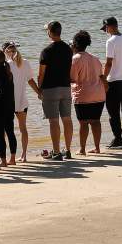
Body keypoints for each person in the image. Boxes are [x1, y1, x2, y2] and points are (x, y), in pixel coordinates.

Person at [35, 20, 74, 161]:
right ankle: (68, 150)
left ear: (50, 33)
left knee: (53, 121)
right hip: (65, 87)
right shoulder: (68, 49)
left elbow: (41, 73)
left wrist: (39, 89)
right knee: (67, 119)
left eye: (47, 31)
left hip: (51, 89)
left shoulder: (46, 51)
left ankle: (57, 152)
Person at [100, 17, 122, 149]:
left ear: (109, 26)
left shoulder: (111, 41)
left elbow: (109, 62)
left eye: (105, 29)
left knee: (113, 111)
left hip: (113, 80)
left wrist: (104, 78)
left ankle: (118, 138)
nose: (105, 32)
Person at [70, 30, 106, 154]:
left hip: (83, 95)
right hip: (99, 94)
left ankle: (82, 149)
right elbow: (101, 76)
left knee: (83, 123)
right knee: (96, 121)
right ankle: (97, 147)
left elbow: (72, 78)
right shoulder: (95, 58)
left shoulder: (75, 59)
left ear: (74, 44)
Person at [3, 41, 35, 162]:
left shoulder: (6, 65)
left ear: (6, 52)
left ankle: (4, 156)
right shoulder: (25, 62)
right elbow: (30, 80)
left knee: (5, 131)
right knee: (23, 129)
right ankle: (24, 155)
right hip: (22, 101)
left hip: (9, 102)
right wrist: (39, 93)